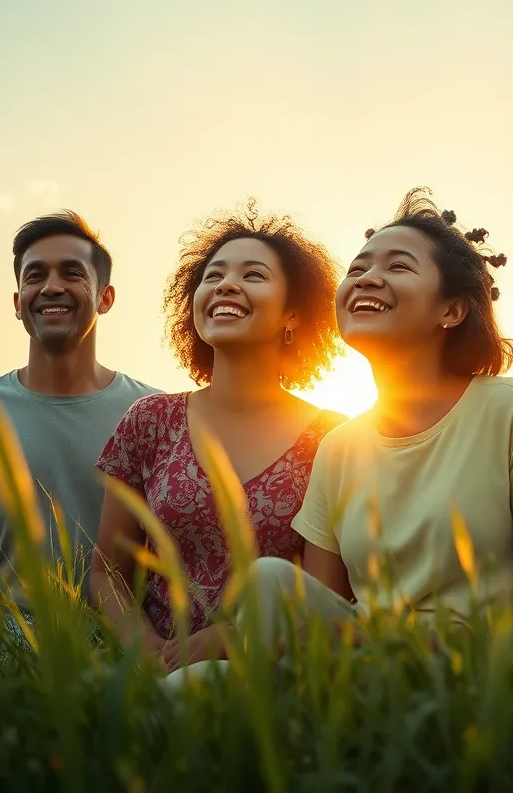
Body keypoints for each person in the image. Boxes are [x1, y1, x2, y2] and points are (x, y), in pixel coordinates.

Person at [176, 189, 513, 679]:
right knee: (192, 679)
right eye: (356, 269)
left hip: (480, 676)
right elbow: (315, 617)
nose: (367, 278)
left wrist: (428, 648)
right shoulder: (338, 447)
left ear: (452, 311)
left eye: (398, 266)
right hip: (363, 676)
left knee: (269, 582)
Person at [91, 202, 346, 672]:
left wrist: (231, 637)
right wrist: (144, 647)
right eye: (213, 276)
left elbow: (325, 593)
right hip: (157, 676)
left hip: (276, 674)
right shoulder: (150, 420)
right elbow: (107, 571)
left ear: (293, 314)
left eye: (253, 275)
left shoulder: (333, 438)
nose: (226, 284)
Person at [0, 211, 159, 627]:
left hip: (117, 643)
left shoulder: (152, 412)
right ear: (17, 303)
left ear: (105, 297)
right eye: (34, 276)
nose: (51, 287)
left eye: (72, 273)